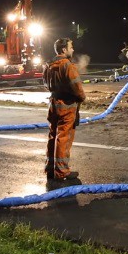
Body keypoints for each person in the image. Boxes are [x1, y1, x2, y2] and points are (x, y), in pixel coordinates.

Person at [43, 37, 85, 180]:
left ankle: (50, 168)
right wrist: (81, 98)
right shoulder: (68, 65)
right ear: (64, 50)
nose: (73, 49)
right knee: (64, 138)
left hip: (53, 104)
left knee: (53, 135)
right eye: (71, 47)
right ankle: (61, 171)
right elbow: (77, 87)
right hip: (66, 106)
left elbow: (46, 85)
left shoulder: (48, 65)